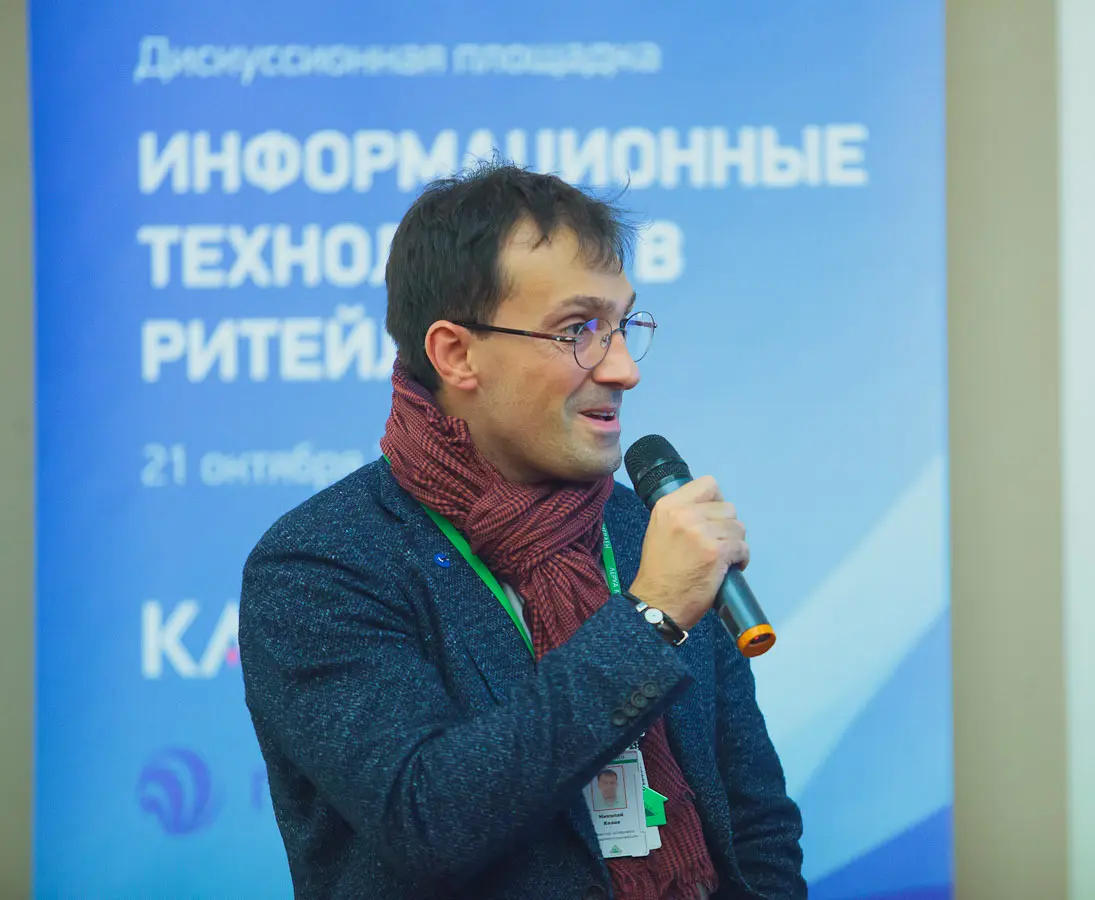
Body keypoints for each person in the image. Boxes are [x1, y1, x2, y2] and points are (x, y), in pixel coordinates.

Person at [238, 160, 806, 900]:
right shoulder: (322, 563)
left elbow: (754, 828)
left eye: (623, 326)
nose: (624, 369)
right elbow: (428, 821)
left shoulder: (644, 531)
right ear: (456, 354)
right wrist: (650, 618)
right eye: (578, 330)